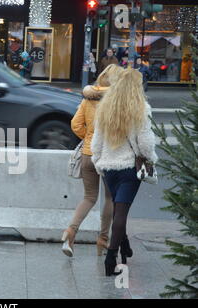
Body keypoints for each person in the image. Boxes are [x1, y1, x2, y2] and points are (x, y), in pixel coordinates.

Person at [91, 68, 157, 276]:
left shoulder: (105, 107)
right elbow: (145, 143)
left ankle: (124, 246)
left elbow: (96, 141)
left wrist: (98, 162)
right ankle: (111, 259)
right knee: (121, 212)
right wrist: (151, 159)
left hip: (109, 168)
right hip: (129, 168)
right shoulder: (141, 108)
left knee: (119, 211)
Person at [61, 64, 124, 258]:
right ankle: (103, 239)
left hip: (88, 155)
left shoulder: (88, 99)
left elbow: (75, 124)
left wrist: (88, 137)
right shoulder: (116, 101)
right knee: (110, 198)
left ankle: (70, 232)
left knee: (89, 197)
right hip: (107, 156)